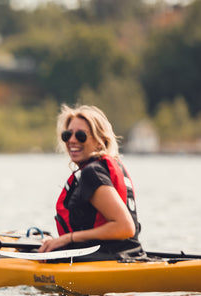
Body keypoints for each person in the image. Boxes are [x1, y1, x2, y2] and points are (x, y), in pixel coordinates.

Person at [38, 104, 145, 261]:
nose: (72, 140)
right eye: (67, 135)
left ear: (100, 141)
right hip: (124, 255)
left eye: (81, 135)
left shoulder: (92, 173)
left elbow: (125, 227)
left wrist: (68, 238)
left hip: (109, 258)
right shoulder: (102, 168)